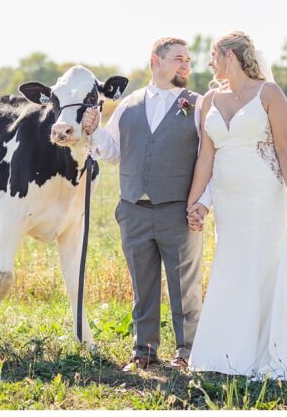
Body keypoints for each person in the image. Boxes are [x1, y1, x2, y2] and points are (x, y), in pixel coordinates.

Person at [185, 31, 287, 382]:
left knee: (261, 264)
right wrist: (195, 202)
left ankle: (263, 347)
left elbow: (284, 149)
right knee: (231, 265)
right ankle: (225, 350)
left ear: (230, 56)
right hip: (229, 201)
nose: (209, 63)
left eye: (213, 55)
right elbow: (206, 155)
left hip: (263, 194)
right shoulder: (208, 100)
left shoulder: (269, 94)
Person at [81, 37, 213, 372]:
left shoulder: (198, 105)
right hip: (133, 210)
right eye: (179, 59)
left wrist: (203, 203)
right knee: (143, 285)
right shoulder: (128, 105)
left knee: (185, 287)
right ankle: (144, 351)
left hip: (178, 212)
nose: (186, 66)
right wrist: (95, 132)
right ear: (156, 60)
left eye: (188, 61)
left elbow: (211, 159)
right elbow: (112, 153)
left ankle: (187, 352)